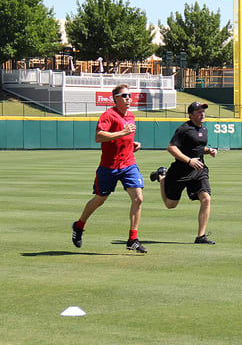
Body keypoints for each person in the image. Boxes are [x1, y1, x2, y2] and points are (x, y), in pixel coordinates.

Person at [71, 84, 147, 253]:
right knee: (99, 199)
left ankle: (132, 239)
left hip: (128, 164)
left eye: (130, 95)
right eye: (125, 95)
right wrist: (122, 133)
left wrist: (133, 144)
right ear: (116, 99)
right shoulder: (108, 115)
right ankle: (79, 225)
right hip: (109, 167)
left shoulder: (131, 116)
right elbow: (99, 136)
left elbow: (124, 138)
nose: (129, 98)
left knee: (138, 198)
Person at [150, 101, 218, 244]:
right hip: (181, 171)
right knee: (170, 205)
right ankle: (162, 177)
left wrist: (209, 150)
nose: (202, 114)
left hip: (199, 170)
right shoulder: (184, 129)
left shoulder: (204, 130)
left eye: (203, 111)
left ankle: (201, 236)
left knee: (206, 199)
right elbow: (171, 148)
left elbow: (197, 147)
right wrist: (189, 161)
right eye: (199, 111)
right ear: (191, 114)